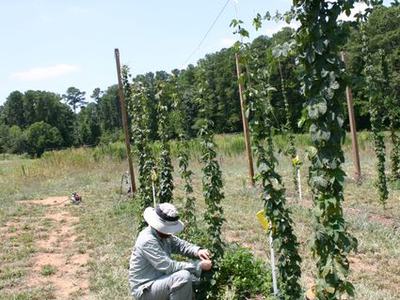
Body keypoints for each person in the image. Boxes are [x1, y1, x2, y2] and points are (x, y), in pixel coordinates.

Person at [129, 203, 212, 300]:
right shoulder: (147, 241)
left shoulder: (163, 235)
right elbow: (168, 266)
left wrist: (197, 251)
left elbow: (180, 245)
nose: (170, 233)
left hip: (159, 280)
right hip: (146, 288)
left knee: (192, 279)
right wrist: (199, 266)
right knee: (183, 277)